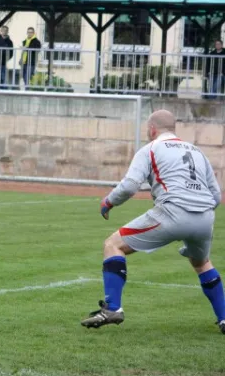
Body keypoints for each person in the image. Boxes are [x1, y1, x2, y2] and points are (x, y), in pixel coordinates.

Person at [81, 110, 225, 334]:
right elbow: (216, 196)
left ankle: (113, 308)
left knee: (113, 244)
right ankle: (224, 318)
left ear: (151, 129)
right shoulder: (197, 152)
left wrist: (108, 202)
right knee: (202, 263)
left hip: (173, 211)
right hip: (206, 216)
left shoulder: (150, 149)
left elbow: (130, 186)